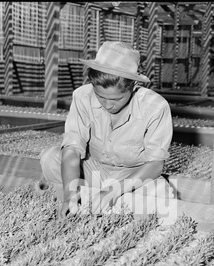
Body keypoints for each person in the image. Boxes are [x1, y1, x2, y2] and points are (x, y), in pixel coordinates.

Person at [38, 41, 173, 218]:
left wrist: (114, 190)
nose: (108, 105)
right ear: (93, 85)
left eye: (117, 99)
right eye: (101, 96)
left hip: (130, 175)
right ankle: (88, 200)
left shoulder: (156, 107)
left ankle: (94, 199)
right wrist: (69, 194)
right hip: (93, 169)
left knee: (160, 194)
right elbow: (71, 149)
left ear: (133, 87)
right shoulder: (82, 96)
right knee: (49, 158)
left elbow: (156, 164)